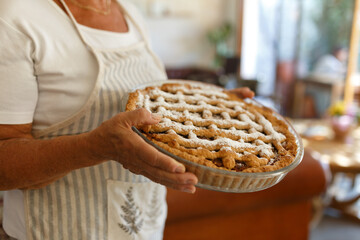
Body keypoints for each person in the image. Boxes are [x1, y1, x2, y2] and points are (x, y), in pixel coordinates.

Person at [0, 0, 254, 239]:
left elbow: (153, 107)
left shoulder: (129, 13)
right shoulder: (16, 18)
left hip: (144, 228)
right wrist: (94, 148)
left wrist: (206, 106)